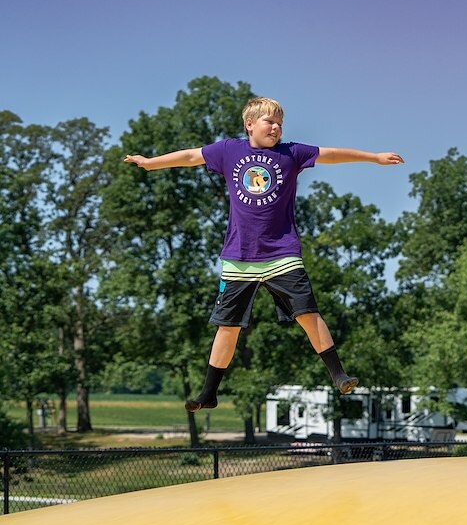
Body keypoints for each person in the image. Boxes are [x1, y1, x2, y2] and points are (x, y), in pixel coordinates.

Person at [125, 96, 404, 412]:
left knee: (308, 314)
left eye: (280, 124)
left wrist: (374, 158)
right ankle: (208, 392)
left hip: (282, 253)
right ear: (250, 124)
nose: (275, 128)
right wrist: (150, 163)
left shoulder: (291, 153)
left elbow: (333, 155)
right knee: (226, 327)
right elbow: (190, 156)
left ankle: (338, 375)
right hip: (239, 257)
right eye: (269, 122)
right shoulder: (229, 150)